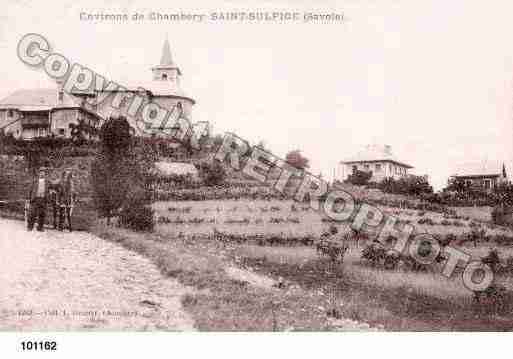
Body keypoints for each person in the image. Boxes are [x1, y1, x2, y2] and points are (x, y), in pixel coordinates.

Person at [27, 167, 49, 232]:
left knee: (42, 214)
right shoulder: (35, 181)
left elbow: (52, 187)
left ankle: (40, 227)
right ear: (39, 173)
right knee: (32, 213)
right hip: (35, 199)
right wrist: (28, 198)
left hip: (43, 199)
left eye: (44, 172)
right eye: (41, 172)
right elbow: (30, 189)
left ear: (45, 174)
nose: (42, 173)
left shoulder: (47, 182)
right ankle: (30, 227)